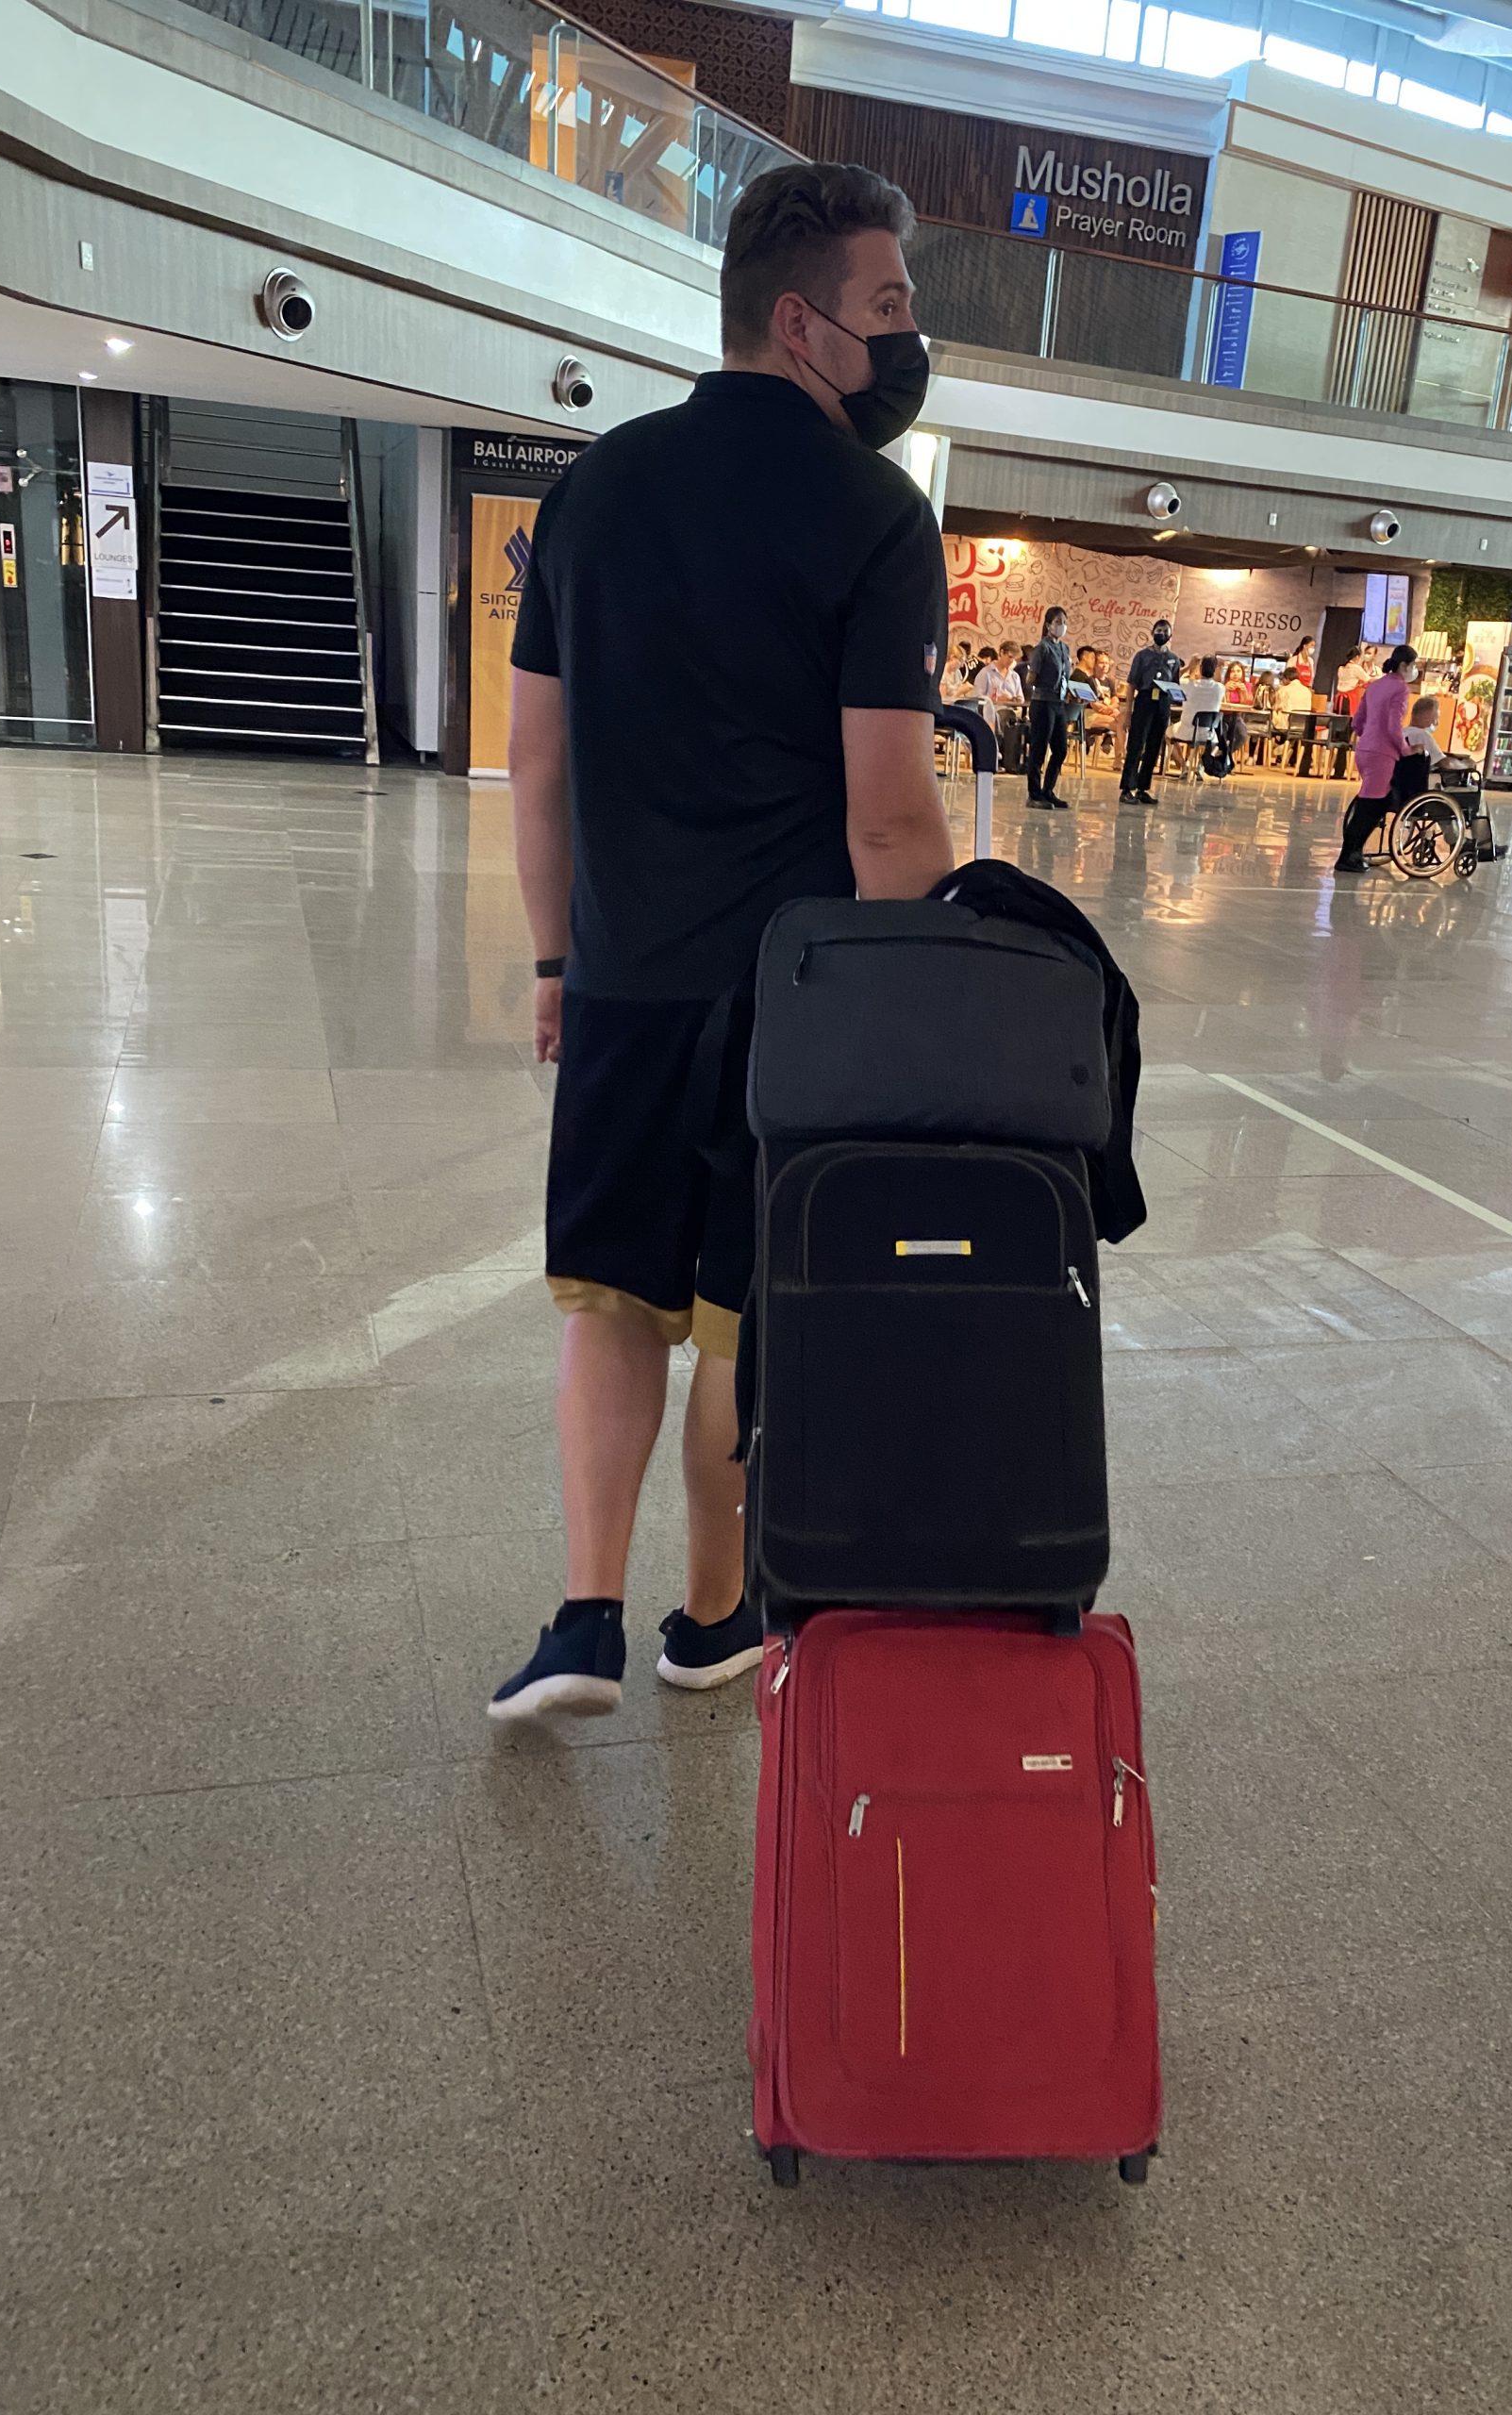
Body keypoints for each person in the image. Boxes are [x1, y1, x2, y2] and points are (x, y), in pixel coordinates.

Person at [491, 159, 953, 1720]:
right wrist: (922, 1011)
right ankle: (709, 1620)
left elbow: (536, 765)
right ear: (803, 322)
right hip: (791, 1006)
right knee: (745, 1322)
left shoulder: (594, 489)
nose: (907, 338)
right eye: (889, 306)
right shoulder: (878, 517)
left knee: (610, 1300)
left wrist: (555, 963)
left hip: (624, 983)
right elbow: (889, 818)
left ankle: (582, 1620)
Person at [1335, 642, 1419, 872]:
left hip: (1365, 750)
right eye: (1413, 665)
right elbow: (1393, 726)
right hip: (1382, 753)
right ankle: (1348, 856)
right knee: (1369, 807)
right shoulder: (1400, 689)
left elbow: (1357, 722)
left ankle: (1352, 853)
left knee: (1374, 802)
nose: (1414, 670)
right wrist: (1406, 749)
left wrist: (1370, 735)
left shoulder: (1375, 685)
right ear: (1404, 665)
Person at [1120, 617, 1184, 804]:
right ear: (1152, 632)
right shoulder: (1142, 656)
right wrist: (1128, 712)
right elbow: (1132, 684)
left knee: (1154, 746)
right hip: (1145, 700)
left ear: (1170, 635)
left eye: (1165, 631)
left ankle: (1142, 787)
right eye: (1158, 630)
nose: (1161, 634)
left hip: (1162, 703)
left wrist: (1178, 697)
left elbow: (1175, 685)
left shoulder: (1174, 659)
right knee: (1136, 744)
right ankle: (1127, 788)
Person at [1025, 605, 1072, 807]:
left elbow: (1067, 675)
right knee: (1039, 748)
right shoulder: (1042, 648)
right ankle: (1034, 794)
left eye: (1064, 622)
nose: (1062, 626)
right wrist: (1045, 681)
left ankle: (1048, 790)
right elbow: (1030, 678)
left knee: (1060, 749)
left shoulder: (1065, 648)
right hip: (1043, 701)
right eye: (1058, 622)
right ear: (1048, 625)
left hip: (1059, 702)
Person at [972, 642, 1022, 731]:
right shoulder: (986, 673)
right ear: (1001, 652)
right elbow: (977, 697)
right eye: (1010, 657)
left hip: (1012, 713)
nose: (1011, 661)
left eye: (1014, 658)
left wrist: (1012, 699)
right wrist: (995, 699)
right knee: (1004, 716)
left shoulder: (1015, 676)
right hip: (993, 711)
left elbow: (1021, 699)